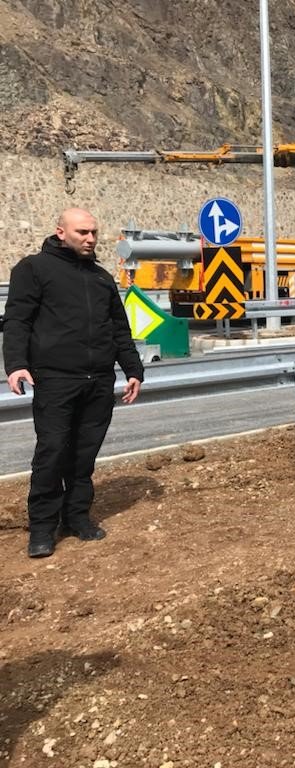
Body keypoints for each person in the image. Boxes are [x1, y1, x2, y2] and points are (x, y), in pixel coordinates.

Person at [3, 208, 144, 558]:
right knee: (51, 453)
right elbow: (18, 320)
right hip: (55, 380)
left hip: (98, 381)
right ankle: (42, 528)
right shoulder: (33, 269)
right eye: (82, 232)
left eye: (94, 232)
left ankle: (77, 517)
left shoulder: (101, 278)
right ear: (61, 232)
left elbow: (119, 328)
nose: (90, 238)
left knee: (84, 456)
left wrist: (133, 369)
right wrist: (17, 365)